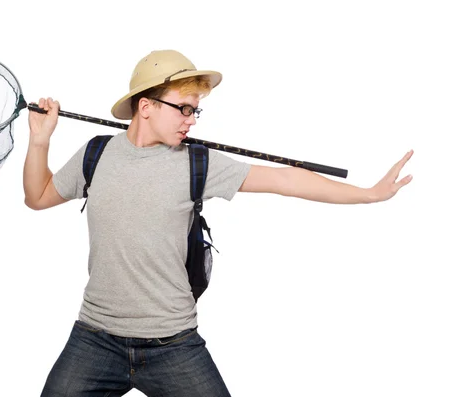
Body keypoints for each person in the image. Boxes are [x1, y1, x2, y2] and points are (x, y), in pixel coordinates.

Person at [23, 50, 414, 397]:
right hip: (94, 338)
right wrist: (40, 141)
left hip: (173, 344)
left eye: (196, 110)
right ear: (146, 106)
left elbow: (285, 178)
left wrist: (367, 193)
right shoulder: (96, 154)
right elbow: (37, 198)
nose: (192, 120)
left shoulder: (198, 163)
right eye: (184, 108)